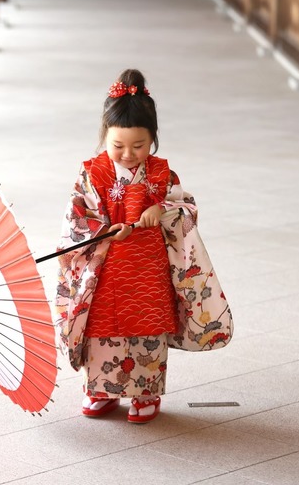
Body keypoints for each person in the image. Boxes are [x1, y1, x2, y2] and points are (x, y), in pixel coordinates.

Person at [54, 68, 234, 424]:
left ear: (152, 139)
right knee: (102, 330)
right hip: (106, 273)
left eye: (138, 146)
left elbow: (187, 208)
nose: (127, 154)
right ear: (104, 136)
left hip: (148, 272)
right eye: (117, 145)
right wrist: (104, 230)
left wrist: (161, 208)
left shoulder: (161, 174)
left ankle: (145, 393)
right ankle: (102, 391)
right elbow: (77, 217)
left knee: (147, 329)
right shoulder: (91, 173)